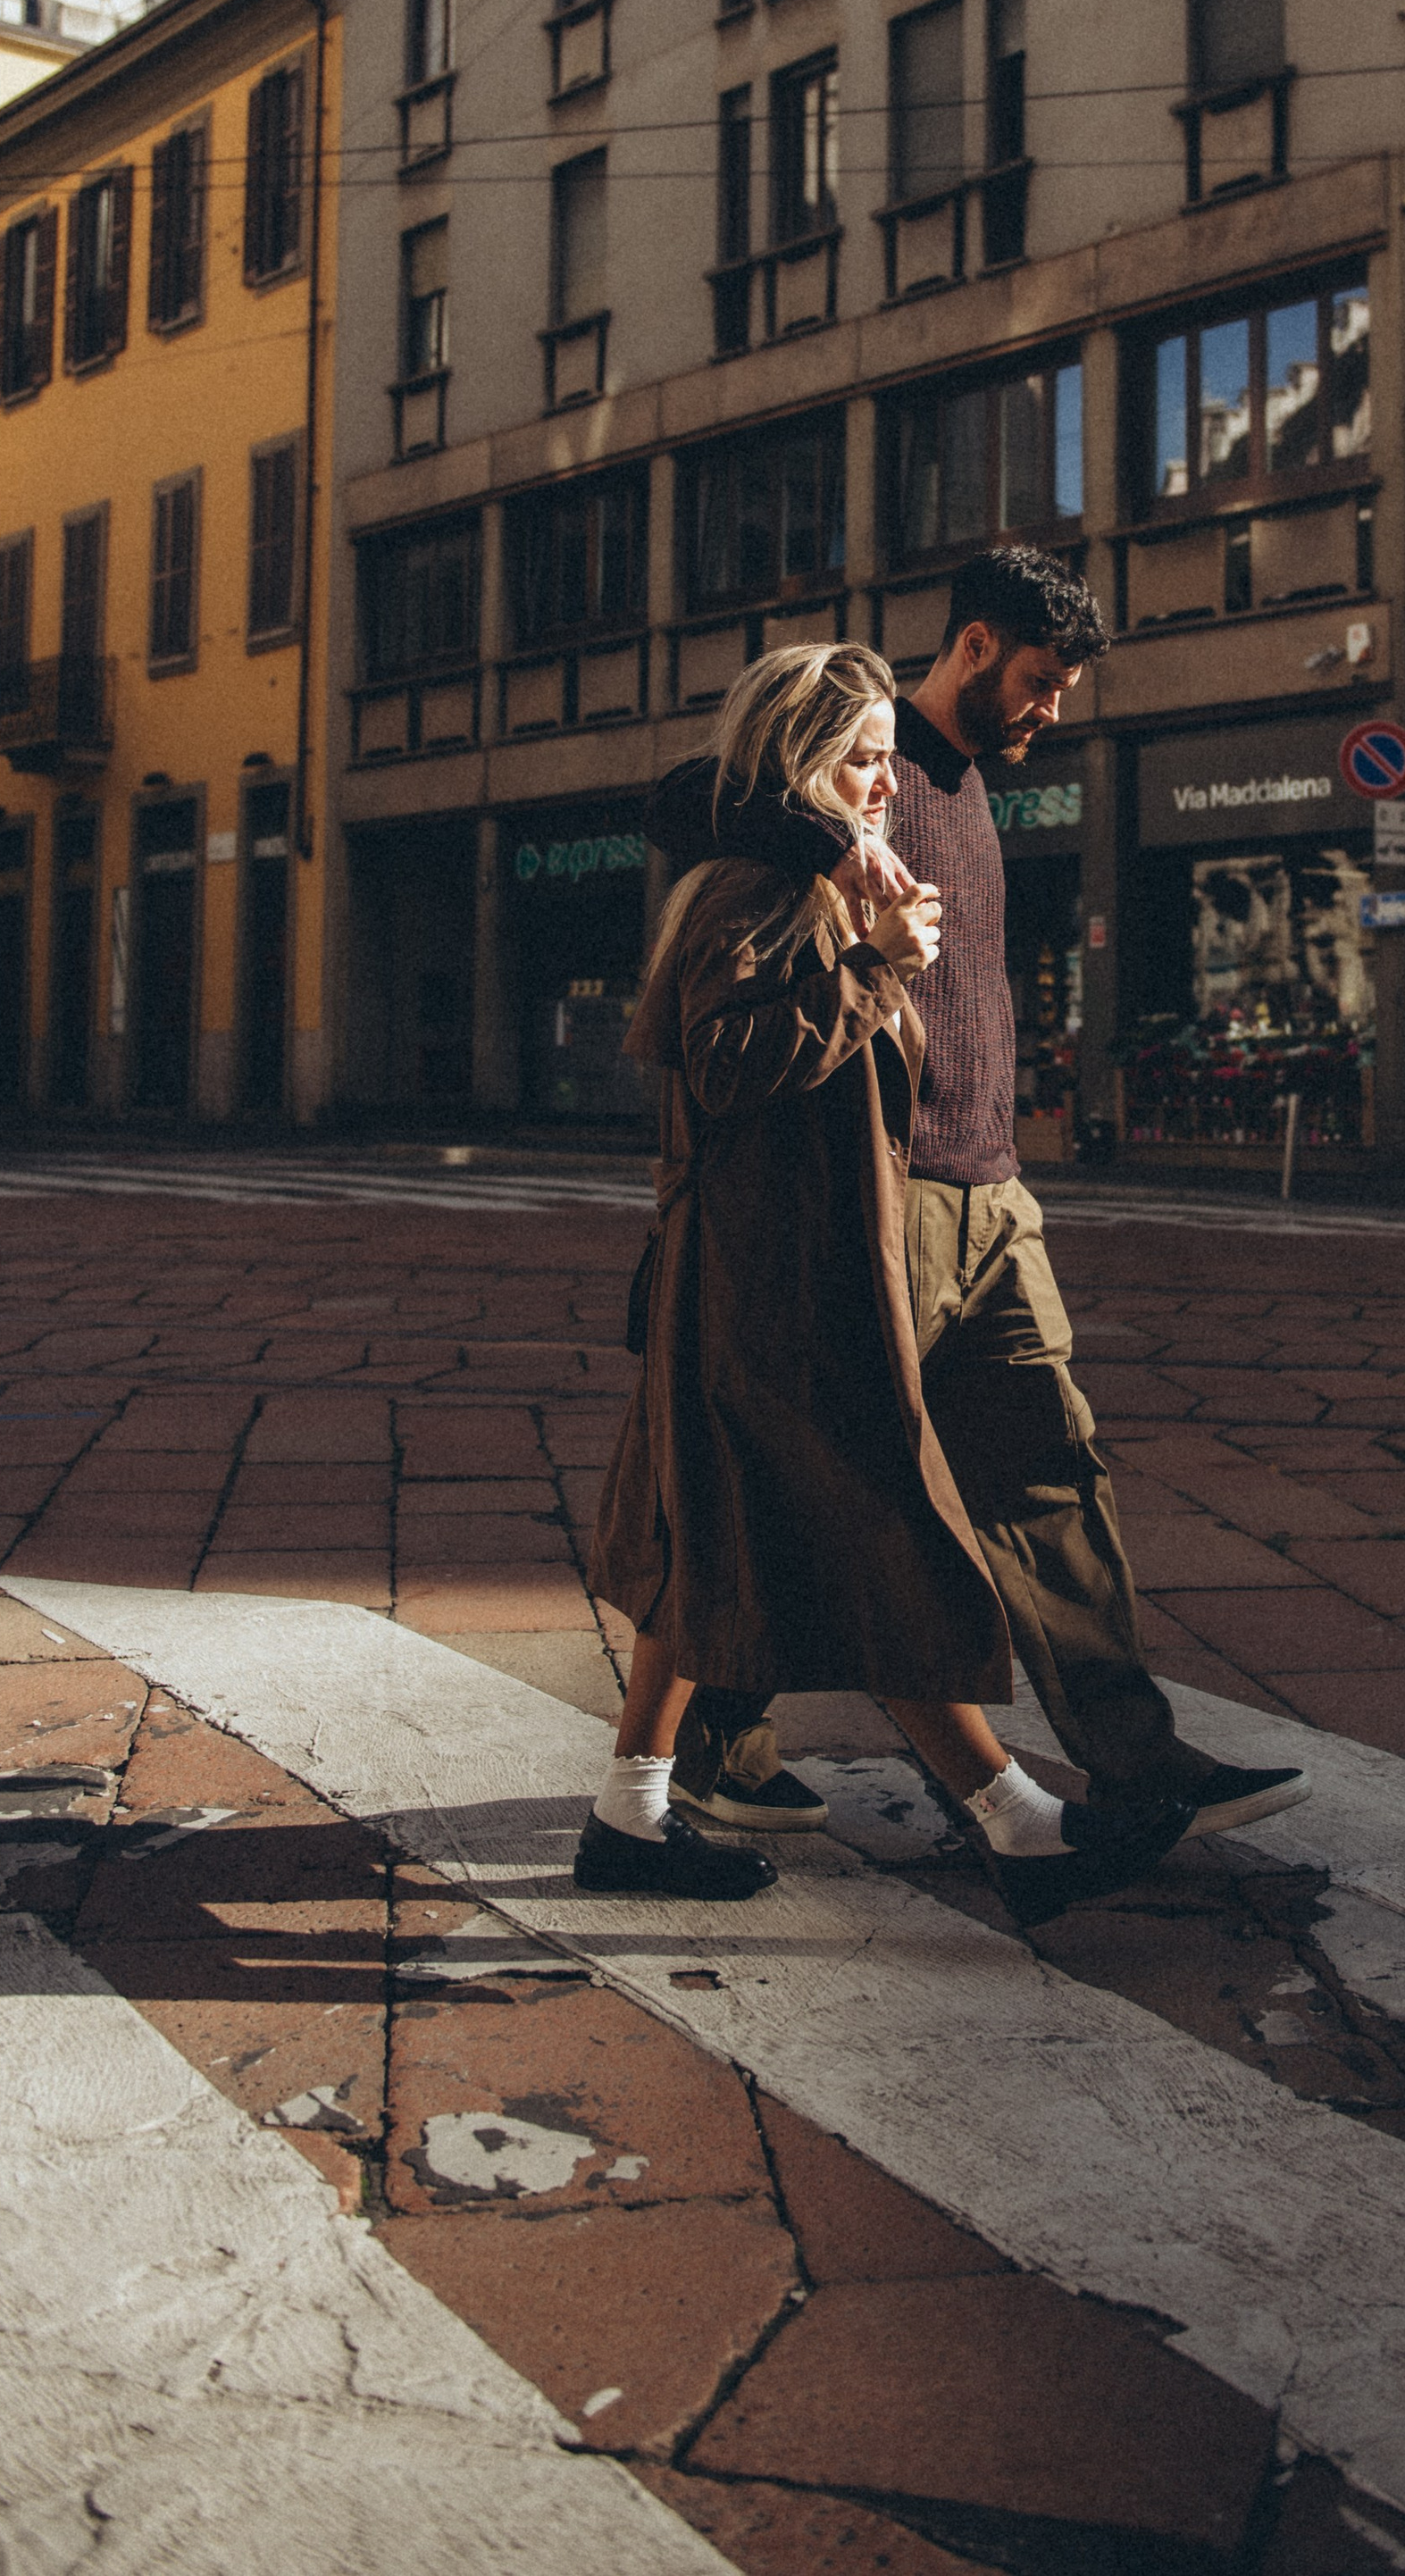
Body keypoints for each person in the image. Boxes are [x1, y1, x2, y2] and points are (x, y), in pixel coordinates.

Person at [651, 548, 1310, 1847]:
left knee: (1050, 1471)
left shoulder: (971, 786)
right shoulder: (862, 745)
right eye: (1039, 681)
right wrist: (835, 830)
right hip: (876, 1196)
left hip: (993, 1197)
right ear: (968, 648)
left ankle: (1138, 1756)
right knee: (828, 1472)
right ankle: (725, 1745)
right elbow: (685, 794)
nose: (1051, 710)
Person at [579, 639, 1192, 1923]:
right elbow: (733, 1061)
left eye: (883, 756)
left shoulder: (795, 877)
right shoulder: (755, 889)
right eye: (860, 759)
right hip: (778, 1283)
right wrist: (879, 967)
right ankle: (1015, 1822)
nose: (881, 781)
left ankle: (629, 1813)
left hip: (774, 1272)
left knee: (716, 1536)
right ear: (801, 759)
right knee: (878, 1534)